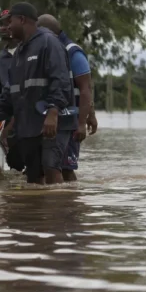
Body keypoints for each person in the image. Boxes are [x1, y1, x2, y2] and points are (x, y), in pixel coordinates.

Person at [0, 2, 76, 185]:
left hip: (52, 122)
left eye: (10, 21)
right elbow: (9, 93)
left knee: (51, 167)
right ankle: (37, 213)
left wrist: (53, 112)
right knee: (33, 176)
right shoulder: (19, 51)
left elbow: (61, 81)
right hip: (28, 125)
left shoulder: (48, 42)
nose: (8, 27)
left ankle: (58, 209)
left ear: (22, 19)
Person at [37, 13, 98, 182]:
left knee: (66, 168)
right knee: (54, 166)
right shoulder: (49, 50)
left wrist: (82, 122)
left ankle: (71, 204)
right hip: (58, 120)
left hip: (71, 121)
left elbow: (85, 89)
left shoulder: (73, 53)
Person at [0, 9, 25, 172]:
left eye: (7, 23)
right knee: (16, 169)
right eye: (1, 25)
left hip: (30, 118)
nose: (3, 28)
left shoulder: (29, 51)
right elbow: (2, 96)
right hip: (10, 123)